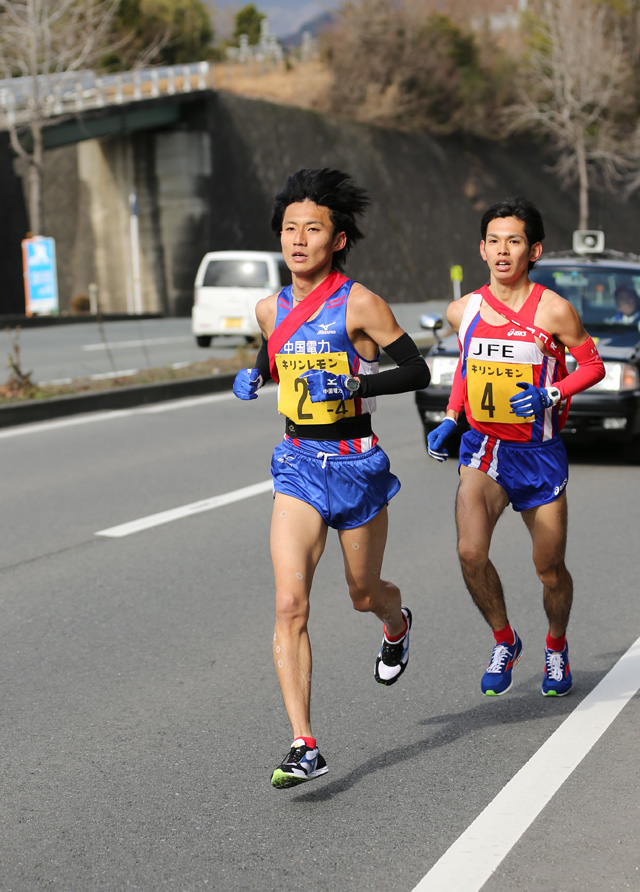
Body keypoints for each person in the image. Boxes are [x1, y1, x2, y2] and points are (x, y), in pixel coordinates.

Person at [232, 168, 430, 788]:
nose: (297, 240)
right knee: (290, 603)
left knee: (362, 592)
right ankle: (304, 742)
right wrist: (253, 376)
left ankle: (395, 624)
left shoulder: (360, 303)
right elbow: (275, 351)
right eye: (289, 228)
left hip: (356, 463)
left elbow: (418, 371)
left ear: (337, 239)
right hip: (297, 463)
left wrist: (359, 383)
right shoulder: (270, 309)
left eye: (311, 229)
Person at [427, 196, 605, 698]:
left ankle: (555, 644)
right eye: (495, 241)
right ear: (482, 250)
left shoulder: (554, 310)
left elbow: (593, 367)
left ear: (534, 250)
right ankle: (505, 639)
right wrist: (451, 417)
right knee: (469, 552)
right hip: (485, 449)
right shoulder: (464, 310)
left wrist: (551, 392)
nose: (503, 250)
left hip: (539, 453)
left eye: (515, 241)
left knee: (548, 570)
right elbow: (466, 367)